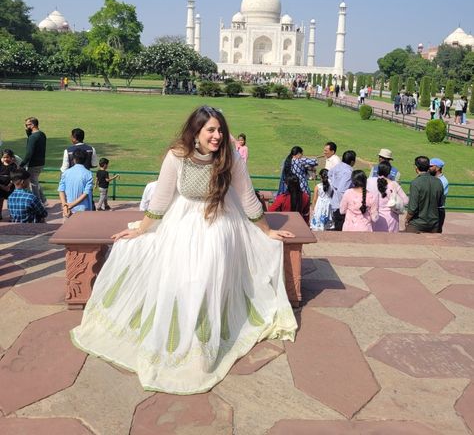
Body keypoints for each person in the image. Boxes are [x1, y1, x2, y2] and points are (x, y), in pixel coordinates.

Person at [71, 106, 297, 394]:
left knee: (206, 267)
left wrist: (266, 230)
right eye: (210, 130)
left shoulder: (230, 157)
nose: (216, 136)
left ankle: (201, 342)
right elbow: (162, 199)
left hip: (219, 219)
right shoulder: (177, 156)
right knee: (163, 265)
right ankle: (177, 335)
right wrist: (141, 229)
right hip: (181, 221)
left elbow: (247, 196)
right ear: (196, 133)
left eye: (220, 130)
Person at [404, 156, 444, 233]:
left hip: (417, 224)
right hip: (434, 224)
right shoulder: (438, 182)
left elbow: (412, 208)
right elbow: (440, 203)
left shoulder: (416, 183)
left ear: (416, 167)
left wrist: (407, 219)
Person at [367, 161, 408, 232]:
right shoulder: (394, 184)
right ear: (389, 172)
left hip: (374, 217)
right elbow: (406, 201)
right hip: (391, 219)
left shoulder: (369, 181)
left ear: (378, 171)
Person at [58, 149, 94, 218]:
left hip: (68, 209)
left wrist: (65, 205)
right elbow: (86, 193)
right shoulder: (88, 174)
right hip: (83, 209)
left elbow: (61, 190)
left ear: (74, 159)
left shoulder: (66, 173)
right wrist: (72, 204)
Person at [20, 117, 47, 204]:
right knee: (35, 181)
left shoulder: (32, 137)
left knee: (33, 184)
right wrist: (28, 132)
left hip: (33, 164)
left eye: (27, 125)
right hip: (41, 162)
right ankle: (44, 200)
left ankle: (38, 203)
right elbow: (32, 139)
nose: (26, 126)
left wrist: (22, 164)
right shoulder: (42, 134)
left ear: (32, 125)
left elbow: (29, 153)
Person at [328, 150, 356, 231]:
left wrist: (334, 184)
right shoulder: (348, 172)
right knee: (341, 229)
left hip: (334, 202)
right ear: (352, 162)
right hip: (341, 205)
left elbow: (329, 174)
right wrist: (344, 205)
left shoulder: (338, 166)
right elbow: (342, 190)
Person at [429, 158, 449, 233]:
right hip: (431, 209)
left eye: (431, 166)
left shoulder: (443, 181)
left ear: (437, 168)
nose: (428, 168)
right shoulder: (432, 178)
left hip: (437, 210)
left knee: (435, 234)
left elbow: (435, 195)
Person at [0, 149, 18, 220]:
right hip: (1, 186)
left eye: (7, 157)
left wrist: (8, 186)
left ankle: (12, 215)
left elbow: (13, 177)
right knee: (0, 200)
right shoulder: (0, 165)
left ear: (11, 157)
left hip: (10, 187)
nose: (6, 159)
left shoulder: (13, 166)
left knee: (11, 201)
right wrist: (1, 186)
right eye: (4, 157)